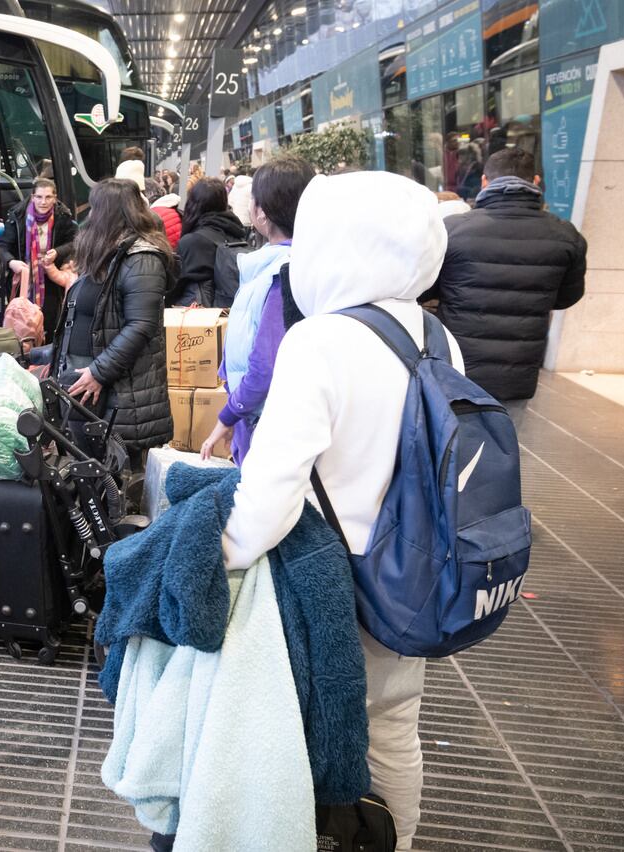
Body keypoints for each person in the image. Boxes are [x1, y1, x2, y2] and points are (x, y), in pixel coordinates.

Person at [221, 170, 462, 852]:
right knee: (393, 727)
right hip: (413, 577)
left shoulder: (320, 342)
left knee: (305, 734)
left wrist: (217, 558)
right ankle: (396, 841)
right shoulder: (436, 335)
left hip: (328, 585)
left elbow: (268, 494)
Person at [425, 147, 586, 403]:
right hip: (518, 369)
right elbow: (567, 297)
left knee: (453, 437)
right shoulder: (566, 235)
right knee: (507, 437)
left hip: (457, 365)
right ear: (535, 181)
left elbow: (426, 289)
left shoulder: (453, 230)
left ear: (484, 182)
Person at [49, 178, 173, 456]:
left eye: (94, 208)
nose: (89, 216)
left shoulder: (142, 258)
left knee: (112, 483)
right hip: (91, 389)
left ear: (109, 212)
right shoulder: (108, 253)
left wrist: (98, 372)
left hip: (117, 393)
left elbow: (141, 325)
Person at [206, 155, 315, 465]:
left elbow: (266, 364)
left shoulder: (282, 276)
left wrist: (230, 415)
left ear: (261, 213)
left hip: (266, 424)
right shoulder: (298, 267)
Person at [0, 178, 78, 339]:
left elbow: (74, 242)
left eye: (48, 197)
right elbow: (3, 247)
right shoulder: (17, 215)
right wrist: (11, 262)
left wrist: (57, 252)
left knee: (48, 323)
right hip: (23, 280)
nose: (43, 202)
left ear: (55, 198)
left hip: (51, 281)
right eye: (39, 197)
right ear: (32, 197)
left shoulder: (62, 216)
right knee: (21, 324)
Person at [171, 176, 248, 308]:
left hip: (200, 321)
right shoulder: (238, 235)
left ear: (194, 203)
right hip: (233, 314)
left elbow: (174, 287)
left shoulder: (191, 242)